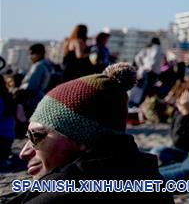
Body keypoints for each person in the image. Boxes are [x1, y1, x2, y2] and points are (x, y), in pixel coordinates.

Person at [8, 63, 172, 203]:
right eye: (27, 136)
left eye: (36, 137)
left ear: (82, 139)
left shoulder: (63, 195)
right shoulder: (148, 176)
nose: (24, 152)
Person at [132, 37, 165, 107]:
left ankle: (138, 103)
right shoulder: (157, 47)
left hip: (146, 71)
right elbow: (154, 57)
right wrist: (150, 67)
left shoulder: (148, 48)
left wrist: (142, 66)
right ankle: (141, 104)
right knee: (147, 88)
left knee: (143, 88)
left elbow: (137, 57)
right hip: (152, 71)